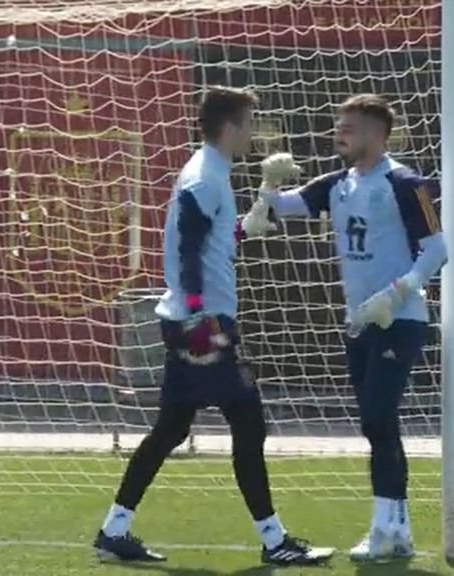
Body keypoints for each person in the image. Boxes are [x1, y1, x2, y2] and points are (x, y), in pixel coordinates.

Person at [92, 87, 334, 566]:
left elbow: (211, 238)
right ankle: (274, 541)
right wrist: (202, 315)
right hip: (202, 326)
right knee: (249, 423)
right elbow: (185, 249)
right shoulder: (204, 176)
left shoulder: (211, 172)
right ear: (230, 125)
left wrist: (250, 223)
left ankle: (113, 530)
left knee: (170, 429)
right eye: (249, 122)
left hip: (189, 321)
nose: (253, 132)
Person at [241, 94, 447, 561]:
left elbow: (438, 248)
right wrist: (267, 186)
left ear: (376, 133)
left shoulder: (406, 182)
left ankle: (385, 528)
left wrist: (398, 292)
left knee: (378, 416)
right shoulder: (338, 183)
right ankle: (396, 530)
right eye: (339, 124)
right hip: (358, 323)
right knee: (376, 424)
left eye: (349, 127)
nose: (339, 132)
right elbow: (279, 210)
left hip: (400, 318)